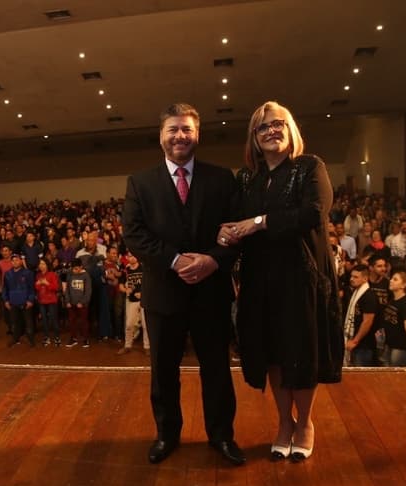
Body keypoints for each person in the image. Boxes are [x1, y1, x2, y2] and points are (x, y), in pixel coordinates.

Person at [217, 101, 343, 463]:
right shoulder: (246, 178)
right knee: (272, 353)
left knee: (300, 353)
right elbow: (234, 220)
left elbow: (314, 213)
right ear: (254, 139)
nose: (272, 131)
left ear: (291, 130)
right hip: (260, 280)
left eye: (278, 124)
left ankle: (304, 423)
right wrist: (227, 233)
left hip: (301, 277)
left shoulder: (309, 167)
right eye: (263, 127)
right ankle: (283, 423)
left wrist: (258, 222)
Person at [123, 103, 243, 466]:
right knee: (163, 371)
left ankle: (221, 436)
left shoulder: (222, 179)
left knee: (217, 369)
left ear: (197, 135)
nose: (180, 136)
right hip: (164, 293)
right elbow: (134, 234)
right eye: (173, 129)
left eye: (187, 129)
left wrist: (211, 260)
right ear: (161, 136)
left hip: (212, 291)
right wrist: (176, 260)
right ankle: (166, 434)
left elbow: (235, 231)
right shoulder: (140, 182)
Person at [381, 272, 406, 367]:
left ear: (403, 285)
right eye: (391, 278)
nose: (391, 281)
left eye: (395, 279)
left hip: (401, 347)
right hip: (389, 344)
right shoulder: (392, 300)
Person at [344, 265, 378, 367]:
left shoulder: (369, 296)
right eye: (351, 276)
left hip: (364, 345)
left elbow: (367, 321)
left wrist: (355, 341)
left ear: (365, 278)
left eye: (355, 277)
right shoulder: (356, 292)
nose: (351, 279)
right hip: (357, 344)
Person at [117, 250, 149, 356]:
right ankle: (127, 345)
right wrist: (126, 290)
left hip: (144, 300)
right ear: (127, 257)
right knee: (129, 324)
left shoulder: (144, 268)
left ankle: (147, 347)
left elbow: (150, 283)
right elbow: (120, 285)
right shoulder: (126, 270)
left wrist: (142, 293)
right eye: (129, 256)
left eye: (133, 255)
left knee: (146, 325)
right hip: (131, 301)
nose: (132, 258)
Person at [2, 254, 36, 347]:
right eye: (13, 260)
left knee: (28, 322)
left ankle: (30, 339)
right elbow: (5, 289)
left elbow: (32, 288)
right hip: (13, 302)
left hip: (25, 302)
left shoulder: (28, 273)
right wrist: (6, 300)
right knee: (14, 322)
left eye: (17, 260)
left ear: (21, 261)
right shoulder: (8, 274)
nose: (15, 262)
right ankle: (15, 338)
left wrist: (30, 300)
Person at [64, 258, 92, 348]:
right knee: (72, 321)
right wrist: (67, 301)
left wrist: (82, 302)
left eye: (76, 268)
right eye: (73, 269)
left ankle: (85, 338)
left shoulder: (86, 276)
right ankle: (73, 338)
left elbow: (88, 291)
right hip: (71, 303)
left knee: (84, 321)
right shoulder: (70, 275)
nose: (75, 270)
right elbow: (67, 289)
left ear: (81, 267)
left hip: (82, 304)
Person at [34, 259, 61, 346]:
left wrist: (47, 283)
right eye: (40, 264)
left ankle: (57, 337)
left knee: (53, 319)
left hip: (51, 300)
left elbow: (56, 288)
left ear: (47, 265)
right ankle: (46, 337)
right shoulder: (38, 275)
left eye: (43, 264)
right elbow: (37, 289)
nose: (41, 266)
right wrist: (37, 284)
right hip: (42, 300)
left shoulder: (52, 274)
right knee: (44, 320)